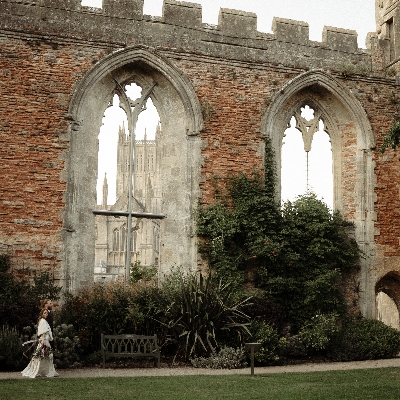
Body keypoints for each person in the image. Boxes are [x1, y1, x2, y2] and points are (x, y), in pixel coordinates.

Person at [21, 309, 59, 378]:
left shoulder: (43, 321)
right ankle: (39, 370)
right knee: (43, 355)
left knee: (45, 356)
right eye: (44, 313)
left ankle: (45, 371)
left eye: (46, 313)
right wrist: (42, 342)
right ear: (42, 314)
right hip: (44, 341)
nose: (46, 314)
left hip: (45, 340)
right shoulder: (43, 321)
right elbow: (43, 332)